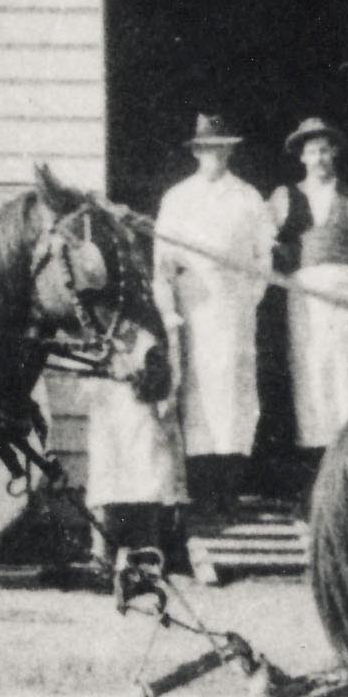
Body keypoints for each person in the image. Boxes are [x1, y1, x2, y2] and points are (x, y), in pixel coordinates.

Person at [150, 113, 268, 515]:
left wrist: (245, 300)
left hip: (234, 307)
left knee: (235, 395)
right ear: (197, 152)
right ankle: (200, 489)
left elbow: (262, 259)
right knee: (196, 391)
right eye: (207, 149)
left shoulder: (248, 197)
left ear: (230, 151)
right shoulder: (178, 197)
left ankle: (229, 488)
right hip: (194, 305)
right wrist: (171, 307)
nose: (214, 155)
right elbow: (162, 261)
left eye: (221, 148)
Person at [269, 117, 348, 460]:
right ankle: (315, 470)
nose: (318, 158)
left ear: (334, 153)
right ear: (301, 157)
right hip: (305, 295)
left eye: (324, 150)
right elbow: (261, 241)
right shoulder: (284, 197)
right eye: (311, 152)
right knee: (312, 375)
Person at [83, 379, 187, 588]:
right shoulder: (98, 349)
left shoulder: (150, 347)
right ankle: (104, 561)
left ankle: (146, 562)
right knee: (108, 480)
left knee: (147, 477)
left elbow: (164, 380)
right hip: (109, 407)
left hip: (143, 412)